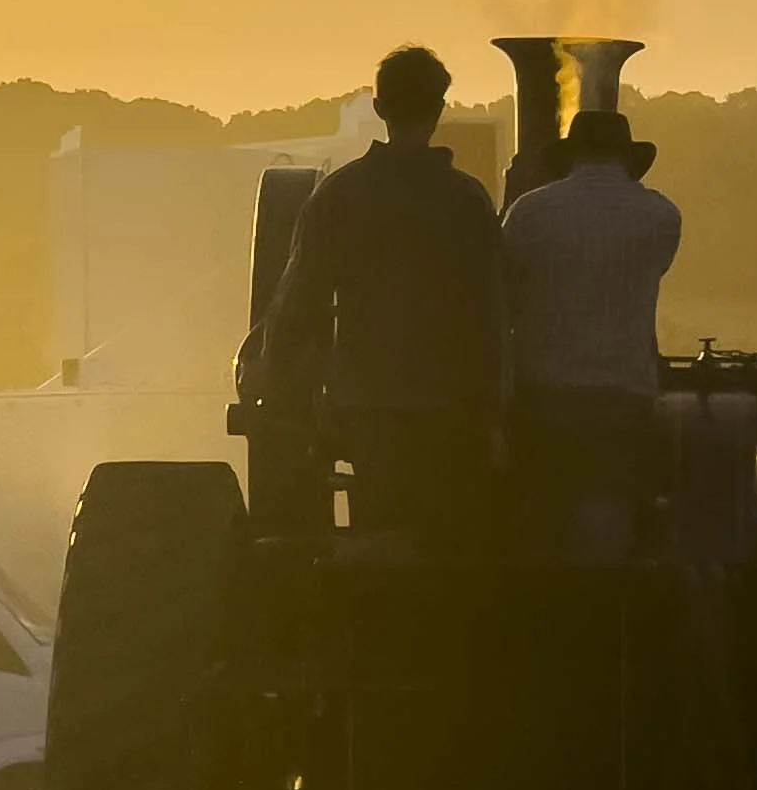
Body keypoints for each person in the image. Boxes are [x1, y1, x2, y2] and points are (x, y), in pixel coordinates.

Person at [259, 44, 506, 556]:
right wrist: (495, 405)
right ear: (439, 110)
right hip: (451, 405)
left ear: (379, 108)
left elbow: (298, 301)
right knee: (449, 548)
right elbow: (491, 311)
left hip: (367, 403)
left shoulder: (338, 195)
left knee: (379, 536)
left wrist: (279, 385)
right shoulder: (467, 200)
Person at [501, 107, 682, 560]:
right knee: (611, 517)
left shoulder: (529, 211)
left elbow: (505, 289)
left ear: (572, 155)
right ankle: (606, 611)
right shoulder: (661, 215)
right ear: (626, 156)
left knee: (541, 518)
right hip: (625, 394)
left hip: (545, 393)